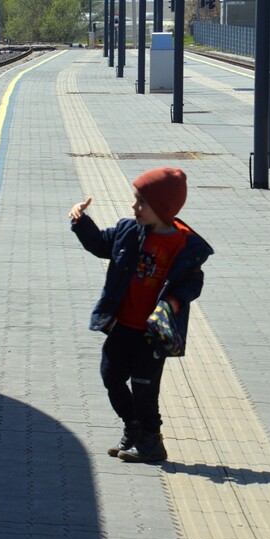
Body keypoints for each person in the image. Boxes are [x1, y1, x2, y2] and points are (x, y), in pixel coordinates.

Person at [68, 167, 213, 463]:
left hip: (153, 332)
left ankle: (151, 442)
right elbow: (100, 244)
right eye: (135, 200)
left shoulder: (184, 246)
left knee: (145, 388)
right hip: (124, 325)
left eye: (141, 202)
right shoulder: (129, 231)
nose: (134, 207)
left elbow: (192, 282)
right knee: (111, 376)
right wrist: (81, 222)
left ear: (162, 208)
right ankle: (133, 426)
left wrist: (172, 302)